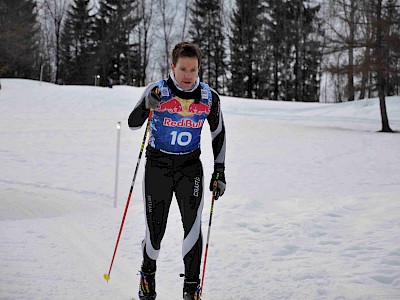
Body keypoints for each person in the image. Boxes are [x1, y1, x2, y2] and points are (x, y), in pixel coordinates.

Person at [128, 41, 226, 300]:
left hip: (189, 167)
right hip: (158, 166)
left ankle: (191, 288)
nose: (187, 75)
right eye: (183, 69)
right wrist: (146, 106)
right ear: (172, 66)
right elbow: (132, 124)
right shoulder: (157, 91)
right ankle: (147, 277)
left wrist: (220, 171)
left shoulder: (208, 97)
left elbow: (218, 134)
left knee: (193, 227)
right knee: (155, 230)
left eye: (193, 70)